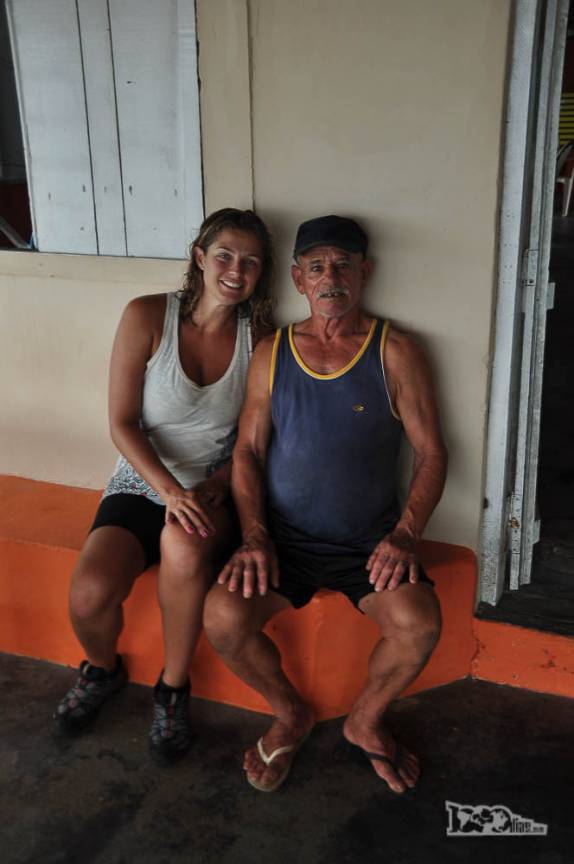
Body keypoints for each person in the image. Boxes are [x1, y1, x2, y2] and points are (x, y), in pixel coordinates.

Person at [204, 214, 447, 793]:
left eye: (342, 265)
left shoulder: (396, 350)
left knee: (418, 623)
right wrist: (254, 535)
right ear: (297, 278)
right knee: (223, 617)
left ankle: (364, 722)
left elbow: (432, 454)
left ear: (366, 272)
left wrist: (407, 534)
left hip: (369, 541)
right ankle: (290, 712)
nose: (330, 277)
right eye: (316, 267)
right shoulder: (273, 351)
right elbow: (247, 452)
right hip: (285, 541)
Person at [54, 208, 274, 760]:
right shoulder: (147, 316)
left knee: (181, 543)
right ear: (199, 257)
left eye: (250, 261)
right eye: (224, 255)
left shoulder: (261, 341)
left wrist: (214, 487)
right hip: (142, 478)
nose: (235, 269)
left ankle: (172, 689)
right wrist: (167, 492)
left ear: (261, 273)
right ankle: (102, 669)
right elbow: (121, 424)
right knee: (88, 594)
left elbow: (259, 441)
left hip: (214, 490)